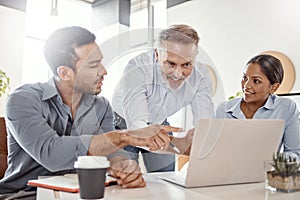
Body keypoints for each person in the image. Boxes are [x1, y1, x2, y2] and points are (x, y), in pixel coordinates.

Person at [0, 26, 182, 199]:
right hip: (25, 194)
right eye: (94, 65)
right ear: (65, 73)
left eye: (101, 62)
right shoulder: (22, 100)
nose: (104, 71)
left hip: (81, 193)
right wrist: (125, 136)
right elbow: (52, 154)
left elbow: (110, 154)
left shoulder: (101, 106)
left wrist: (123, 165)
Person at [112, 24, 214, 172]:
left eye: (186, 64)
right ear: (157, 54)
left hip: (160, 122)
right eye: (171, 63)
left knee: (166, 180)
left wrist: (199, 142)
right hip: (122, 125)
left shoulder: (201, 76)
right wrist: (179, 143)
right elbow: (137, 125)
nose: (178, 74)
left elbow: (205, 123)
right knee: (125, 181)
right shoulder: (137, 68)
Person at [216, 54, 300, 157]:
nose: (246, 86)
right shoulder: (223, 109)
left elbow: (295, 153)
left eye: (256, 81)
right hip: (227, 171)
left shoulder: (286, 108)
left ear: (273, 87)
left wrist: (272, 163)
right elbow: (213, 151)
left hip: (268, 171)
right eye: (245, 78)